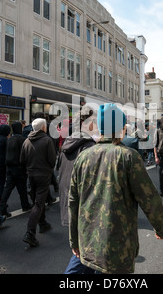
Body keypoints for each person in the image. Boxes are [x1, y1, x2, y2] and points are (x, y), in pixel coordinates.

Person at [69, 103, 163, 274]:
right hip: (118, 246)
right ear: (121, 129)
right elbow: (149, 198)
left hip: (88, 241)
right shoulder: (129, 157)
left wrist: (74, 240)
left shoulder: (83, 157)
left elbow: (73, 201)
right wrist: (161, 228)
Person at [58, 107, 97, 274]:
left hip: (70, 207)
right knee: (82, 259)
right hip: (84, 212)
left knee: (88, 259)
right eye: (95, 122)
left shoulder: (68, 144)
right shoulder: (89, 148)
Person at [21, 118, 57, 247]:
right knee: (38, 203)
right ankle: (30, 233)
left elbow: (22, 160)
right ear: (43, 128)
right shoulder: (47, 140)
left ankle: (43, 224)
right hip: (43, 174)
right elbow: (52, 160)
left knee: (38, 201)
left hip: (31, 174)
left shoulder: (26, 141)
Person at [0, 122, 32, 217]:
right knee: (22, 188)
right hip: (19, 167)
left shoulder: (9, 139)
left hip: (9, 167)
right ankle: (25, 204)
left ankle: (2, 207)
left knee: (8, 188)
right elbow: (25, 154)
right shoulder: (22, 139)